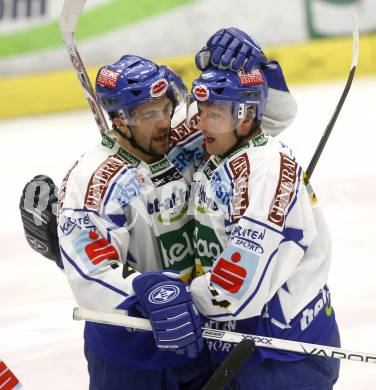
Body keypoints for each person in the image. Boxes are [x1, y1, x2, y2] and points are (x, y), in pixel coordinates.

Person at [19, 29, 298, 389]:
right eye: (149, 114)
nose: (164, 122)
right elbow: (92, 272)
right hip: (132, 354)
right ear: (120, 120)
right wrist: (143, 288)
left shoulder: (183, 139)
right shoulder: (92, 180)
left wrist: (260, 70)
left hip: (200, 337)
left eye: (166, 108)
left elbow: (268, 122)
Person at [187, 64, 341, 388]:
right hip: (246, 346)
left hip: (284, 355)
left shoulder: (265, 171)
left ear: (245, 117)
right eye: (199, 111)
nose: (199, 123)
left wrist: (174, 297)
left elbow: (236, 292)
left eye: (213, 114)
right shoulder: (226, 155)